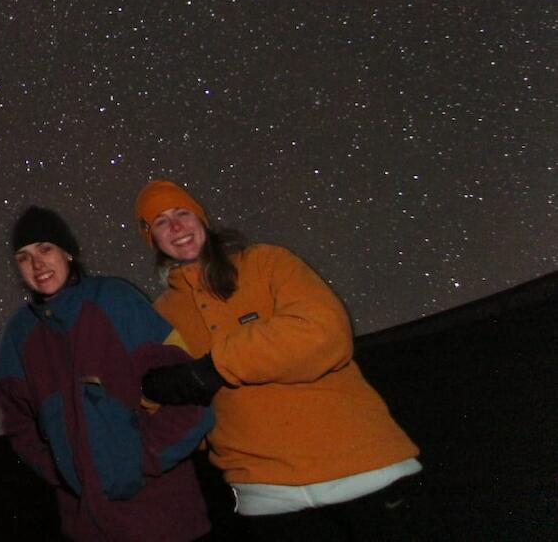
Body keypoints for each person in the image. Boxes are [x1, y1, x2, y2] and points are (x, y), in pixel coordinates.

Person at [134, 179, 422, 540]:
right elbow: (164, 393)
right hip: (267, 498)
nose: (175, 226)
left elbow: (322, 333)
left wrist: (214, 366)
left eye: (182, 213)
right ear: (152, 239)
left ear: (201, 219)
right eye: (160, 221)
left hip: (364, 471)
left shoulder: (266, 262)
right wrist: (150, 392)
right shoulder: (160, 314)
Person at [0, 205, 214, 542]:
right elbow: (18, 423)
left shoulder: (115, 299)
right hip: (88, 526)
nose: (37, 265)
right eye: (24, 257)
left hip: (163, 519)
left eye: (45, 249)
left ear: (67, 252)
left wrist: (143, 461)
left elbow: (189, 390)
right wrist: (67, 472)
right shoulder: (18, 335)